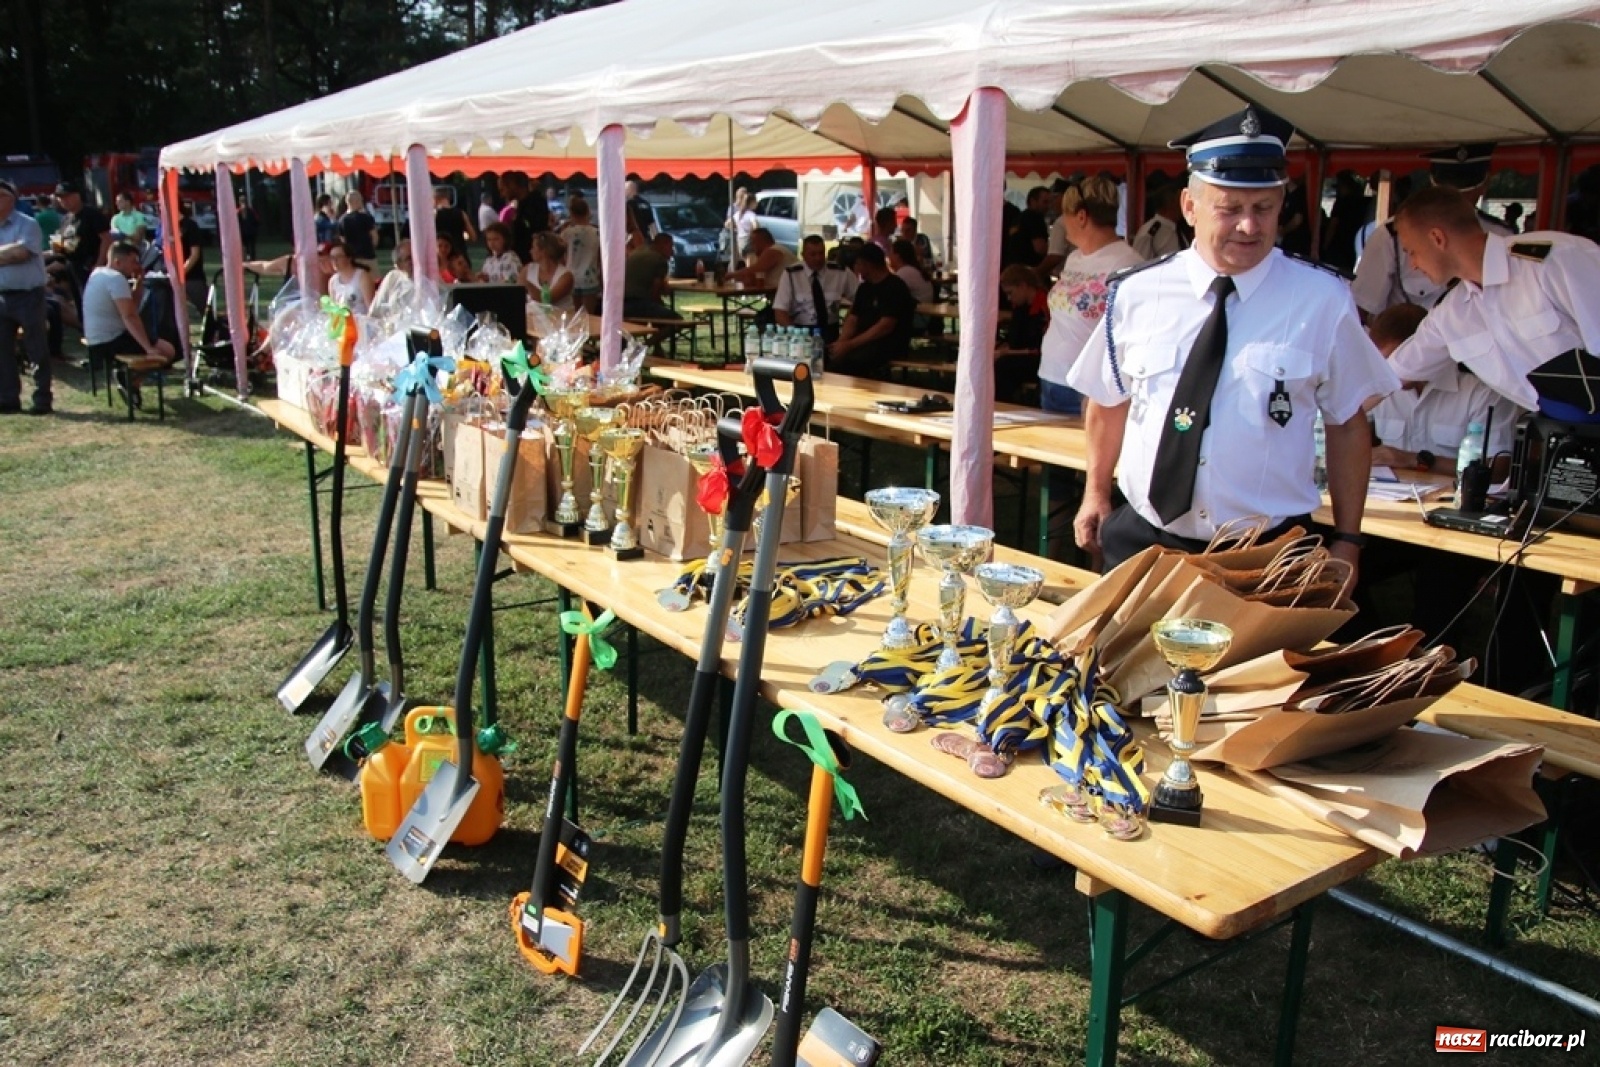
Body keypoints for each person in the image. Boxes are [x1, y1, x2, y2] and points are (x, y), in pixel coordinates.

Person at [1067, 106, 1398, 572]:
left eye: (1264, 208)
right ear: (1189, 206)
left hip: (1265, 551)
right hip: (1145, 540)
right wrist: (1095, 493)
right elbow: (1107, 401)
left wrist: (1347, 539)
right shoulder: (1137, 292)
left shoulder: (1322, 299)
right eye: (1230, 209)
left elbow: (1346, 422)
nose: (1249, 226)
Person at [1386, 184, 1600, 423]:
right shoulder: (1452, 313)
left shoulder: (1554, 261)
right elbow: (1390, 376)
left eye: (1411, 251)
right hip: (1566, 436)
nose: (1413, 264)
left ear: (1437, 238)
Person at [1350, 144, 1514, 320]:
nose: (1414, 263)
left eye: (1466, 187)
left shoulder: (1504, 238)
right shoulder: (1393, 235)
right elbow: (1361, 307)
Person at [1365, 302, 1520, 479]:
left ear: (1422, 350)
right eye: (1380, 362)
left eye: (1395, 361)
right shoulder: (1380, 385)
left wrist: (1411, 459)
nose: (1389, 371)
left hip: (1455, 500)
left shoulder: (1480, 392)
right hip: (1389, 497)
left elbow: (1498, 470)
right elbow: (1356, 436)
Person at [1039, 175, 1144, 417]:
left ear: (1081, 216)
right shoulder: (1075, 257)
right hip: (1052, 375)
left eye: (1064, 214)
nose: (1061, 221)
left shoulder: (1128, 263)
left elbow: (1130, 332)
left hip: (1088, 387)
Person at [82, 242, 176, 391]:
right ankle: (131, 379)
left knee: (159, 345)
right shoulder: (115, 279)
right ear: (118, 262)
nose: (136, 265)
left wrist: (138, 281)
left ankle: (129, 379)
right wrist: (148, 348)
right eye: (133, 262)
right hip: (109, 340)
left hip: (98, 338)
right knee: (168, 350)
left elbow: (132, 305)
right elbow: (130, 316)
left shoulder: (98, 273)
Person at [0, 179, 52, 415]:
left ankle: (42, 398)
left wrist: (13, 253)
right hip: (2, 296)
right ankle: (8, 398)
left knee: (36, 347)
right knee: (3, 350)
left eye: (1, 195)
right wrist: (7, 253)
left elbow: (22, 253)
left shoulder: (27, 224)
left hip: (29, 295)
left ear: (12, 199)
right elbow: (14, 252)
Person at [827, 243, 915, 380]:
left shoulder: (895, 287)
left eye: (858, 264)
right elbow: (853, 318)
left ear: (867, 265)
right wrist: (841, 342)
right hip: (862, 341)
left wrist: (850, 345)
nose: (856, 269)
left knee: (851, 362)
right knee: (831, 357)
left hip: (886, 342)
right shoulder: (864, 288)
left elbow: (885, 326)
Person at [773, 234, 857, 341]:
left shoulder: (840, 272)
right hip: (802, 331)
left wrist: (848, 322)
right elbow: (780, 311)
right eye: (813, 254)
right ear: (803, 255)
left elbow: (860, 300)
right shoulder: (791, 274)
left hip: (831, 331)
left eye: (821, 253)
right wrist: (796, 337)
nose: (818, 258)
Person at [53, 181, 112, 307]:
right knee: (80, 301)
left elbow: (106, 239)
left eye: (67, 196)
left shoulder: (91, 214)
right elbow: (62, 240)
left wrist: (99, 263)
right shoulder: (66, 218)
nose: (64, 201)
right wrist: (57, 247)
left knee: (93, 301)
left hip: (89, 263)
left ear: (77, 195)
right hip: (72, 265)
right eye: (60, 198)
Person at [995, 264, 1047, 404]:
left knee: (1002, 367)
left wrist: (1007, 352)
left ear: (1023, 286)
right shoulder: (1020, 307)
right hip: (1020, 356)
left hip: (1039, 360)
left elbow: (1037, 349)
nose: (1009, 298)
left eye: (1011, 293)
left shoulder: (1044, 307)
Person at [1319, 170, 1368, 275]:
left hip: (1340, 245)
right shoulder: (1363, 202)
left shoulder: (1341, 203)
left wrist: (1325, 246)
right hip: (1354, 242)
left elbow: (1333, 224)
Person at [622, 232, 680, 320]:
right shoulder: (659, 260)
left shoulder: (638, 251)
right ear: (663, 245)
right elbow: (655, 293)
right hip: (638, 304)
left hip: (621, 303)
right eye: (670, 246)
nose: (672, 251)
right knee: (676, 320)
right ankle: (658, 334)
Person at [560, 196, 601, 312]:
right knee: (589, 316)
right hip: (590, 277)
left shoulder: (566, 233)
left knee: (574, 315)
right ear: (588, 212)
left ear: (571, 213)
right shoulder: (596, 233)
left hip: (571, 277)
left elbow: (561, 256)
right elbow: (600, 258)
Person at [1131, 183, 1188, 260]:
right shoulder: (1151, 232)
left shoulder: (1178, 230)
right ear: (1171, 203)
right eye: (1180, 201)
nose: (1183, 206)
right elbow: (1140, 263)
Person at [728, 227, 796, 289]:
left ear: (761, 241)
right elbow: (753, 278)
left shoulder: (774, 250)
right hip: (780, 289)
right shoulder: (773, 250)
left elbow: (756, 269)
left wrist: (732, 275)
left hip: (786, 290)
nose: (752, 245)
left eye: (753, 242)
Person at [524, 231, 575, 312]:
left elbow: (547, 300)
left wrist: (527, 284)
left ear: (543, 251)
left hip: (560, 321)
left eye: (533, 247)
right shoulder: (527, 269)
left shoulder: (566, 276)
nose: (530, 251)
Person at [1004, 186, 1051, 267]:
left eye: (1049, 202)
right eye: (1045, 202)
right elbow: (1040, 248)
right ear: (1033, 201)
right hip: (1028, 269)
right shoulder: (1034, 217)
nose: (1048, 206)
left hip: (1013, 268)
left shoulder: (1020, 217)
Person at [325, 239, 375, 314]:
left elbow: (371, 308)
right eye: (332, 258)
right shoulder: (332, 281)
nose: (334, 261)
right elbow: (334, 309)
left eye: (338, 257)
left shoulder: (362, 276)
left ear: (349, 258)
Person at [434, 186, 476, 260]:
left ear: (435, 198)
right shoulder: (461, 213)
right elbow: (473, 236)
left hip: (443, 255)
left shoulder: (435, 214)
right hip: (460, 254)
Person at [888, 238, 934, 305]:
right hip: (925, 311)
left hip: (919, 313)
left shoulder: (904, 272)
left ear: (897, 256)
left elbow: (890, 294)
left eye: (891, 253)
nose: (889, 257)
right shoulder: (913, 269)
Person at [337, 191, 377, 264]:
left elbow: (343, 241)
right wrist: (371, 248)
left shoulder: (341, 220)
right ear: (357, 201)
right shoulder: (366, 217)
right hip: (368, 256)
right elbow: (375, 237)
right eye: (361, 200)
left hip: (352, 259)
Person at [727, 190, 757, 264]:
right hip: (748, 240)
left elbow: (727, 224)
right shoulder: (751, 214)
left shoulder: (738, 214)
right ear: (751, 203)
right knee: (751, 265)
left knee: (746, 262)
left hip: (740, 241)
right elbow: (755, 226)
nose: (757, 204)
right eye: (755, 202)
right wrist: (753, 232)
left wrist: (736, 228)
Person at [625, 180, 655, 248]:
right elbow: (652, 224)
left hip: (633, 240)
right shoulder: (646, 203)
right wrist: (654, 240)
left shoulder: (628, 205)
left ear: (630, 190)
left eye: (625, 189)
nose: (624, 192)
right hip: (646, 238)